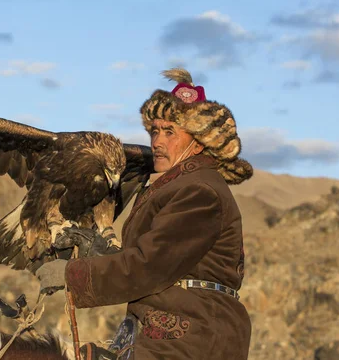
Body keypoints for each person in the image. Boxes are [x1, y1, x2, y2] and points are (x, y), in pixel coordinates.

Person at [36, 68, 254, 359]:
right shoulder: (179, 185)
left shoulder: (200, 191)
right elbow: (151, 258)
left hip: (193, 337)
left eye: (169, 132)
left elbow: (149, 266)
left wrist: (73, 275)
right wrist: (95, 255)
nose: (157, 142)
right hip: (168, 332)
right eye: (154, 131)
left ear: (199, 142)